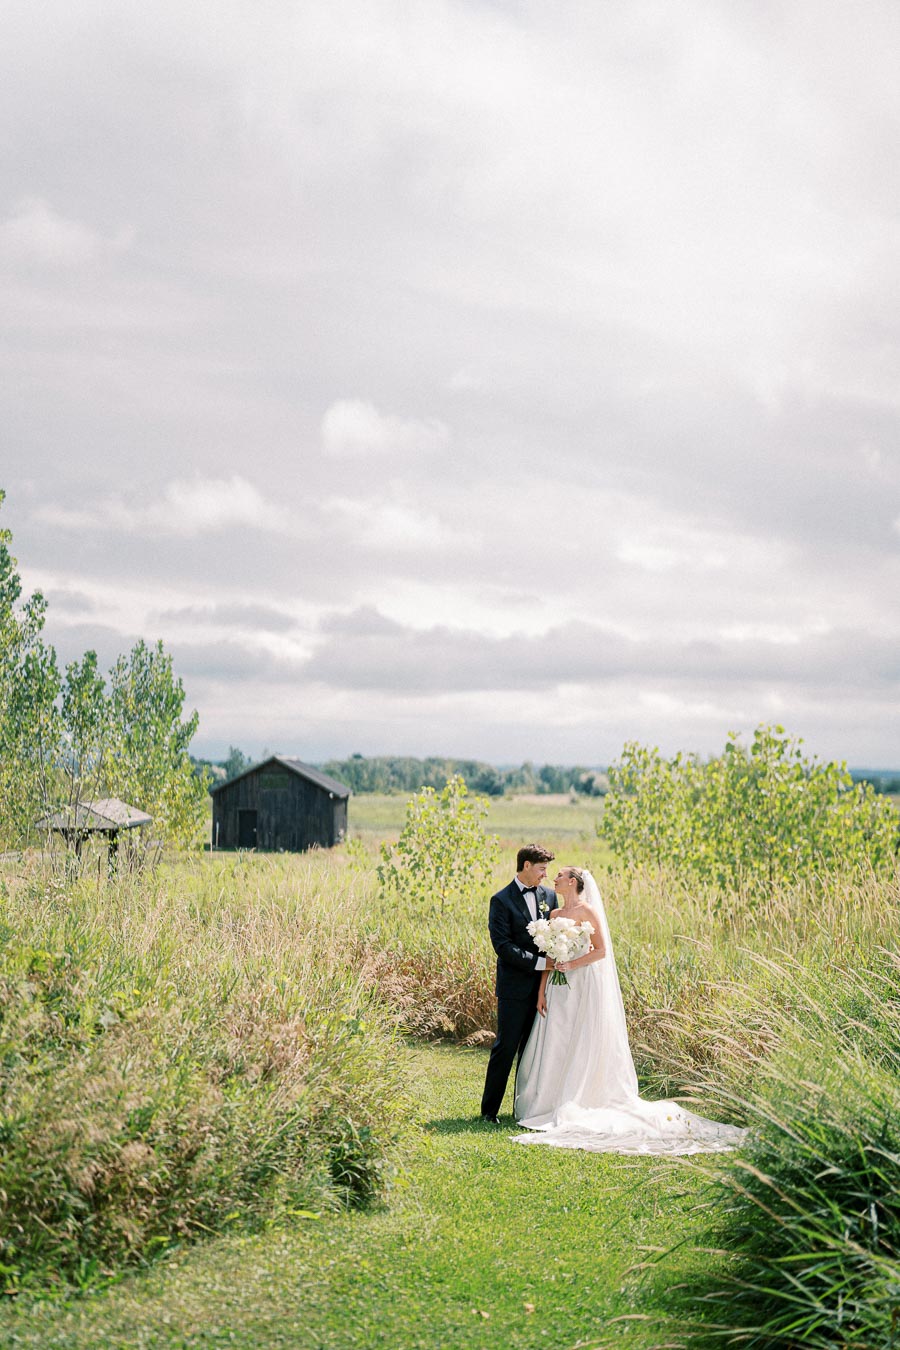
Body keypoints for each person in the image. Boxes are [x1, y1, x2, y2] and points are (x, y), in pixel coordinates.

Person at [512, 866, 746, 1154]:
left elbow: (601, 951)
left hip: (581, 983)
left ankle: (576, 1095)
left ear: (572, 882)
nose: (554, 879)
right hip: (557, 988)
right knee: (556, 1037)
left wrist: (572, 964)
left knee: (578, 1036)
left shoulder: (588, 912)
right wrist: (541, 991)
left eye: (560, 876)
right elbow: (548, 954)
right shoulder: (554, 916)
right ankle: (546, 1099)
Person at [480, 844, 557, 1123]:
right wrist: (539, 964)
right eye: (541, 868)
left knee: (533, 1052)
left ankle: (524, 1109)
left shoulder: (549, 896)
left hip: (544, 989)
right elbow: (503, 947)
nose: (544, 875)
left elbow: (554, 937)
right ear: (526, 865)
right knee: (506, 1048)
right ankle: (489, 1111)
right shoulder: (500, 901)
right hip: (513, 989)